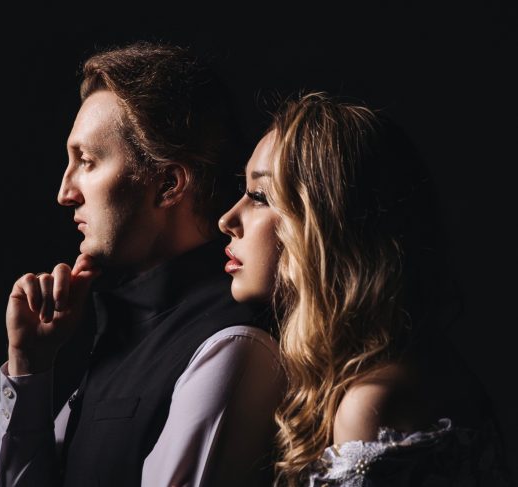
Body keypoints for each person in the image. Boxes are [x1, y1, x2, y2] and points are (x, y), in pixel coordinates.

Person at [0, 42, 286, 487]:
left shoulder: (231, 346)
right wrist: (29, 365)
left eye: (87, 162)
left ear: (167, 184)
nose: (65, 192)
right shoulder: (122, 334)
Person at [219, 92, 513, 486]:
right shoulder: (428, 366)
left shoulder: (374, 403)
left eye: (259, 196)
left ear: (326, 224)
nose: (227, 219)